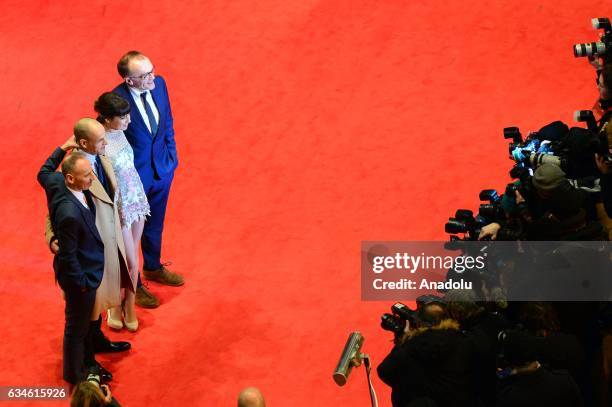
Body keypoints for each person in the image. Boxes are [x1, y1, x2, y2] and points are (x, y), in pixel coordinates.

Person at [44, 121, 132, 352]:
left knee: (98, 302)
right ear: (84, 143)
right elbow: (53, 211)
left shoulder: (99, 154)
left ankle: (97, 340)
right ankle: (85, 358)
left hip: (107, 245)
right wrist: (53, 238)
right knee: (87, 306)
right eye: (101, 139)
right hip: (87, 253)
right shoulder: (72, 171)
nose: (106, 142)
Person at [113, 50, 183, 308]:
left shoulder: (160, 84)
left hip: (162, 170)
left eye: (152, 70)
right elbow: (109, 141)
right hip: (134, 179)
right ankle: (135, 284)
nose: (152, 77)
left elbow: (167, 123)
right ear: (129, 80)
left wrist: (171, 157)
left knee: (156, 223)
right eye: (145, 75)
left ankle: (153, 266)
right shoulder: (116, 100)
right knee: (130, 237)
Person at [37, 146, 103, 384]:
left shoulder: (56, 183)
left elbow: (43, 171)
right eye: (87, 175)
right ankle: (75, 377)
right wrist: (81, 284)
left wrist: (62, 148)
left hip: (86, 272)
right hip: (81, 278)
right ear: (70, 178)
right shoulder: (68, 214)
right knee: (75, 329)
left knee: (82, 324)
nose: (92, 178)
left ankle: (87, 363)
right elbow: (69, 255)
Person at [94, 92, 150, 331]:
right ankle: (114, 304)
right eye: (122, 117)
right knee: (123, 259)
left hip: (135, 198)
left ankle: (130, 304)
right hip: (118, 206)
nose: (128, 121)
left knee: (133, 258)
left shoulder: (120, 132)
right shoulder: (98, 140)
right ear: (106, 119)